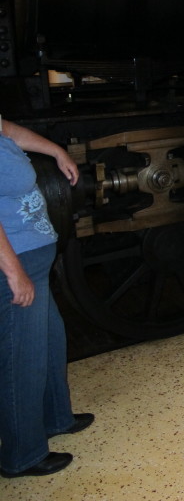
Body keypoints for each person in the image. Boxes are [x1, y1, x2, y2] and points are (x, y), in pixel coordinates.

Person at [0, 116, 94, 478]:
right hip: (16, 264)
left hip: (33, 262)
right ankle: (22, 455)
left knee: (51, 345)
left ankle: (56, 417)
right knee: (22, 361)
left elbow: (8, 129)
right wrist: (14, 274)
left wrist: (56, 151)